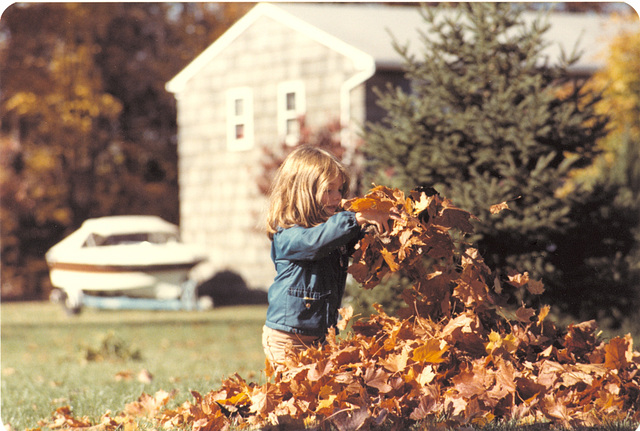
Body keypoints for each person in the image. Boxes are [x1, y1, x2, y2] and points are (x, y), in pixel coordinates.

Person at [262, 146, 391, 366]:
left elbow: (356, 243)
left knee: (320, 395)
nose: (337, 198)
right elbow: (315, 242)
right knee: (295, 396)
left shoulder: (334, 230)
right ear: (302, 192)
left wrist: (383, 229)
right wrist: (356, 218)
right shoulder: (288, 233)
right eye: (328, 190)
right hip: (287, 339)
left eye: (340, 190)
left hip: (320, 336)